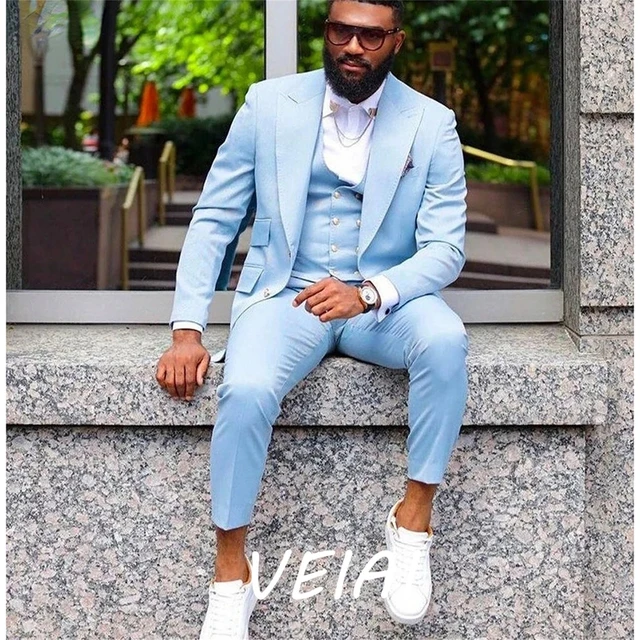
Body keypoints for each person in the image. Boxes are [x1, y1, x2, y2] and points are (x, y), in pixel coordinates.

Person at [156, 0, 469, 637]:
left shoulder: (432, 124)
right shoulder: (268, 105)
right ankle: (230, 575)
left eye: (370, 35)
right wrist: (187, 328)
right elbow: (215, 218)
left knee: (447, 340)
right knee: (242, 389)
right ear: (326, 34)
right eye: (340, 31)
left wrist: (372, 291)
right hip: (286, 298)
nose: (353, 46)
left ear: (395, 42)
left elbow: (446, 248)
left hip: (382, 302)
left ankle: (413, 521)